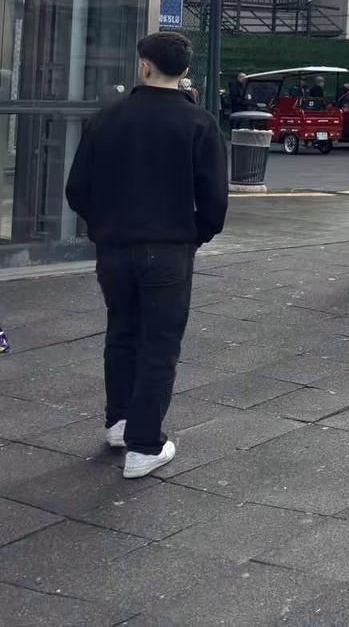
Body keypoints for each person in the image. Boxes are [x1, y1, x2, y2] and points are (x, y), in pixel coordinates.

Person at [65, 31, 228, 479]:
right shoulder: (199, 123)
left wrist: (103, 226)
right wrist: (194, 235)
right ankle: (144, 444)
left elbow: (77, 189)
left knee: (122, 332)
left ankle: (119, 422)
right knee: (160, 342)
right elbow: (214, 200)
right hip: (169, 248)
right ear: (185, 71)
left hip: (114, 247)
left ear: (144, 65)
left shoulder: (107, 118)